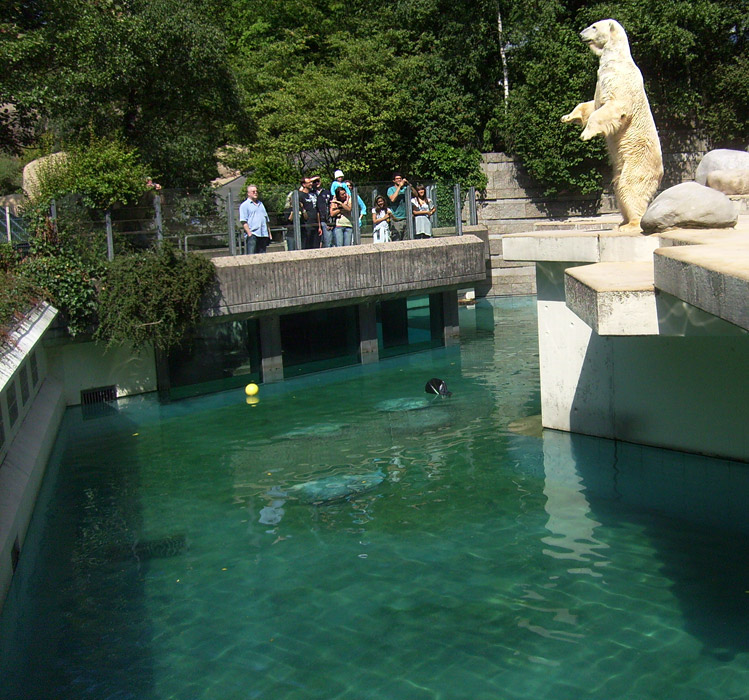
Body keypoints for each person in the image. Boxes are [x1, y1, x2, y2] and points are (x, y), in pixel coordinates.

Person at [239, 184, 270, 254]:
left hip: (263, 234)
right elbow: (243, 221)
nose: (255, 193)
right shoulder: (244, 205)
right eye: (253, 191)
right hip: (253, 234)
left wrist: (269, 233)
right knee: (251, 256)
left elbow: (266, 219)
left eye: (256, 191)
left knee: (263, 256)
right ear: (248, 193)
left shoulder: (261, 204)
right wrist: (249, 234)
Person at [298, 176, 320, 249]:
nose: (311, 184)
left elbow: (317, 210)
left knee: (316, 246)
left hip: (315, 224)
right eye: (309, 182)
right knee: (307, 245)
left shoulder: (314, 193)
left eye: (311, 182)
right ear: (304, 184)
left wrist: (319, 226)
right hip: (306, 225)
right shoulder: (300, 195)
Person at [312, 176, 333, 248]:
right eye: (314, 182)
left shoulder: (327, 192)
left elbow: (331, 206)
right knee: (316, 244)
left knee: (328, 242)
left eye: (318, 181)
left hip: (326, 221)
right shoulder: (311, 193)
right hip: (314, 222)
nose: (316, 183)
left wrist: (331, 222)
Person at [387, 172, 409, 240]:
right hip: (396, 219)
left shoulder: (406, 188)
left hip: (406, 218)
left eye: (400, 178)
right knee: (396, 239)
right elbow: (393, 199)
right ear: (394, 180)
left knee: (407, 240)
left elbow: (416, 194)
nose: (399, 180)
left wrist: (409, 184)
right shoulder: (391, 189)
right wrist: (399, 187)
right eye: (397, 179)